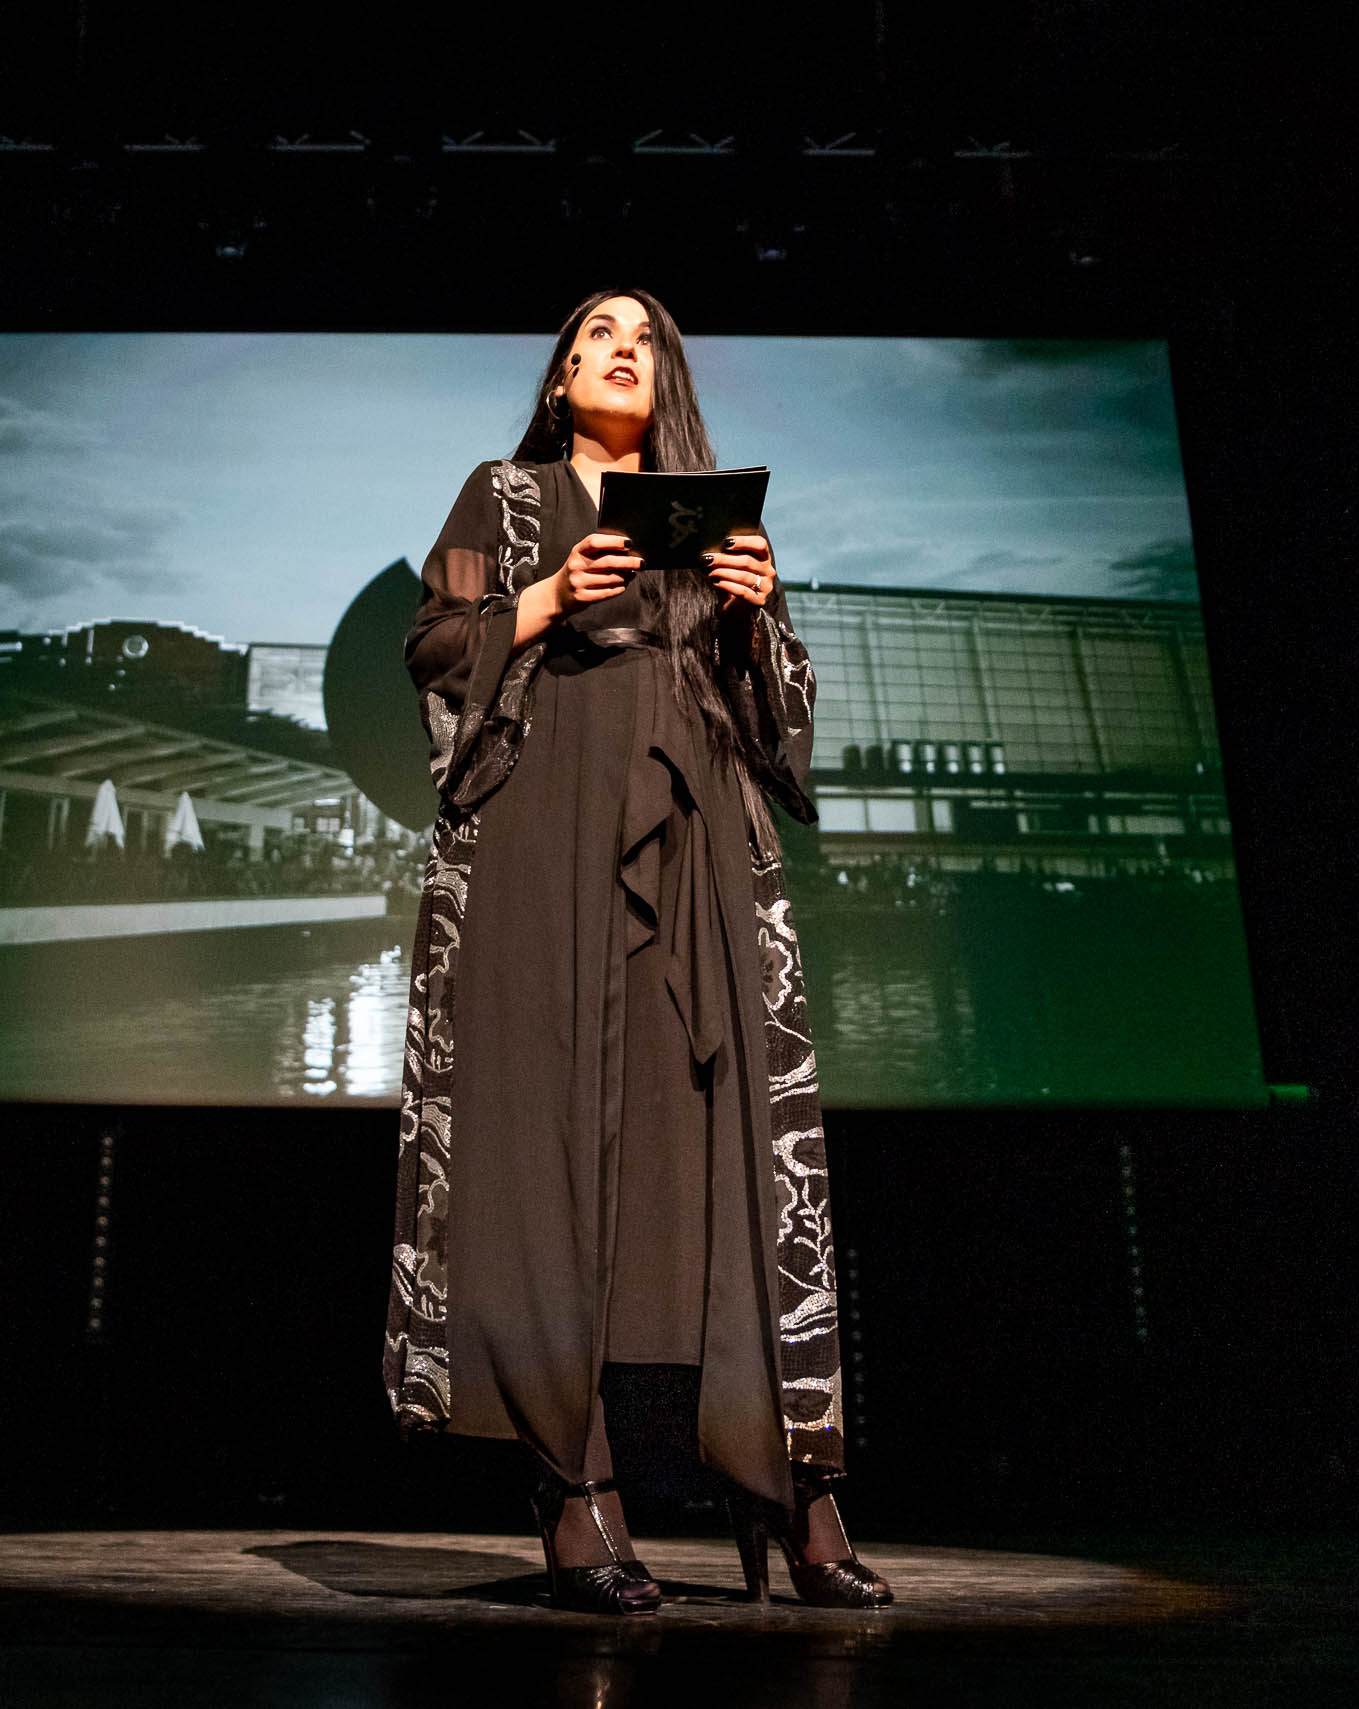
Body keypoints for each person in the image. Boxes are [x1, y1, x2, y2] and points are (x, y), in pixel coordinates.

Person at [381, 289, 891, 1614]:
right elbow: (433, 644)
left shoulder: (716, 521)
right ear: (559, 381)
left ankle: (787, 1484)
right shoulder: (504, 496)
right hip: (543, 840)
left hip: (700, 840)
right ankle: (577, 1491)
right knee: (542, 1153)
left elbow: (781, 721)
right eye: (594, 337)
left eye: (643, 337)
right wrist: (549, 596)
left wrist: (756, 612)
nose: (621, 349)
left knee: (727, 1155)